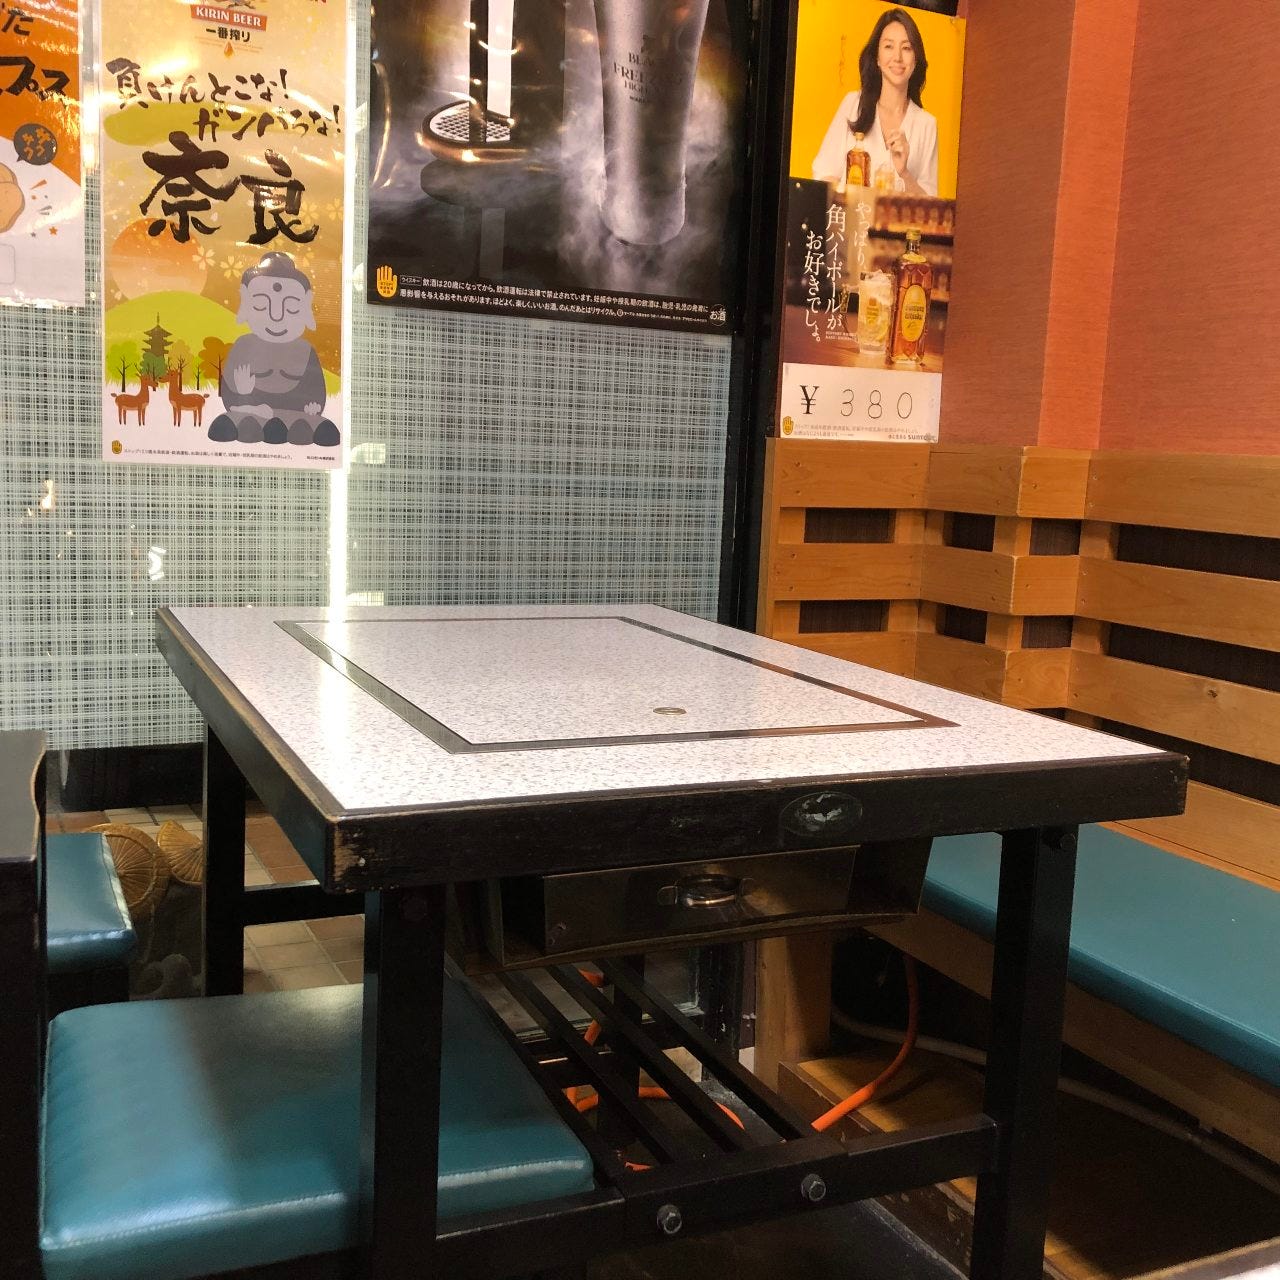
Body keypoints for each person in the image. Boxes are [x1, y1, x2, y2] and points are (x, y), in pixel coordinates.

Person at [208, 252, 340, 447]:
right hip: (251, 412)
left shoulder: (305, 350)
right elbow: (230, 397)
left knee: (317, 427)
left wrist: (313, 406)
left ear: (306, 304)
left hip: (295, 415)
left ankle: (293, 427)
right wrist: (242, 392)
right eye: (261, 304)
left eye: (292, 307)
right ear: (246, 300)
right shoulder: (243, 345)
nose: (276, 316)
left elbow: (315, 392)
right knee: (233, 423)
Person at [811, 7, 938, 197]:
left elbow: (930, 206)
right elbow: (823, 174)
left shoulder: (926, 125)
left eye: (906, 48)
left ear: (916, 59)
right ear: (877, 57)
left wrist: (904, 173)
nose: (897, 57)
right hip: (849, 216)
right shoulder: (853, 104)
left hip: (897, 219)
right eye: (888, 46)